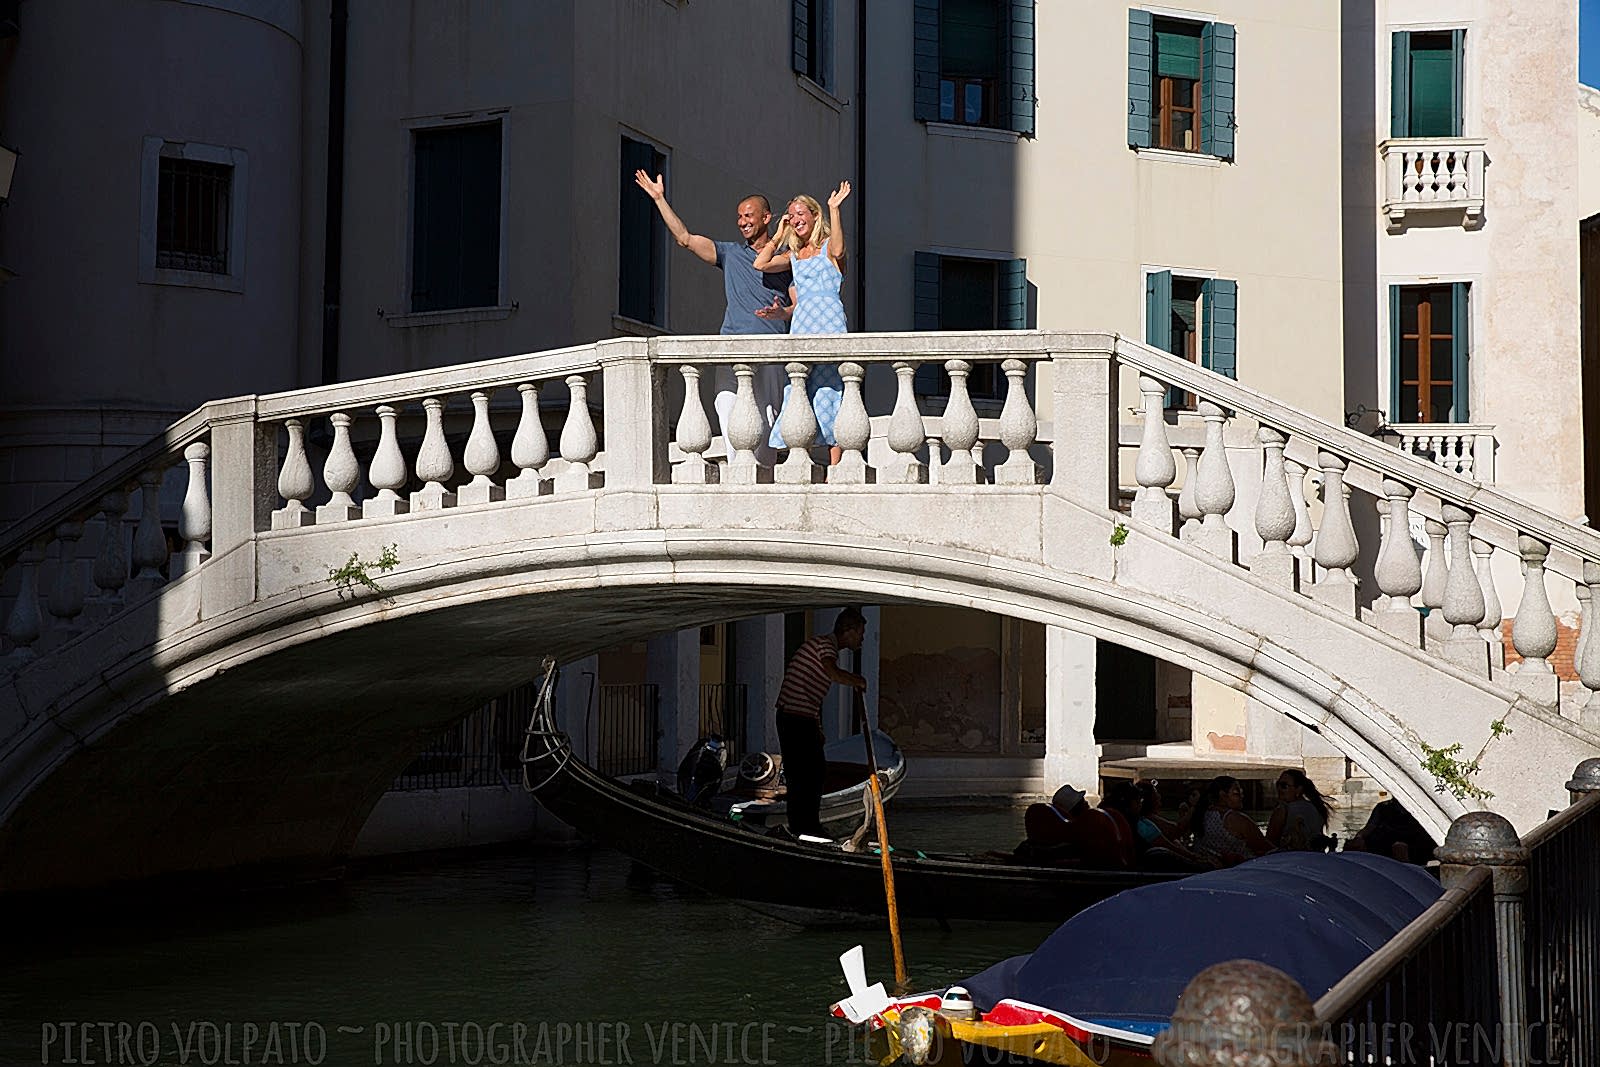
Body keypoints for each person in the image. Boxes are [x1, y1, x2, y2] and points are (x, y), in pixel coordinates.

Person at [633, 172, 790, 455]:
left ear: (767, 218)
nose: (743, 221)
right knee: (726, 406)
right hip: (731, 346)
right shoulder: (729, 253)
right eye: (739, 216)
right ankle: (738, 474)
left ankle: (760, 482)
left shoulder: (785, 259)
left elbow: (800, 301)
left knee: (767, 425)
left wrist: (784, 313)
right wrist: (659, 199)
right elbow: (684, 238)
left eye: (749, 215)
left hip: (771, 350)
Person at [754, 182, 851, 463]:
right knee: (800, 388)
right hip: (803, 324)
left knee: (833, 387)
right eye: (792, 215)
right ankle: (802, 459)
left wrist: (834, 210)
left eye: (800, 213)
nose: (796, 219)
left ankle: (836, 467)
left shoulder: (828, 249)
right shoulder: (794, 256)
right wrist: (780, 233)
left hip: (829, 321)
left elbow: (841, 248)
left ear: (814, 215)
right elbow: (760, 264)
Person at [773, 606, 868, 838]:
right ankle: (805, 828)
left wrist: (817, 726)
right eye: (860, 633)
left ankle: (806, 826)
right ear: (848, 631)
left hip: (801, 718)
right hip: (794, 718)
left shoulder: (825, 646)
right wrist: (858, 680)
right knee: (806, 774)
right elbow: (833, 673)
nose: (863, 638)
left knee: (812, 773)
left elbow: (810, 694)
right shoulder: (825, 646)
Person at [1013, 784, 1130, 870]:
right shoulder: (1079, 838)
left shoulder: (1047, 840)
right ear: (1077, 808)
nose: (1087, 804)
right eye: (1083, 802)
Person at [1188, 775, 1273, 867]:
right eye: (1237, 793)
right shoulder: (1237, 819)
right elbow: (1267, 849)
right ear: (1223, 795)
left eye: (1241, 792)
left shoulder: (1199, 813)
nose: (1242, 796)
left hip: (1208, 870)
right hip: (1241, 870)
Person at [1346, 798, 1437, 865]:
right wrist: (1359, 837)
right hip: (1383, 844)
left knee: (1400, 848)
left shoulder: (1419, 810)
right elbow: (1369, 827)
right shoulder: (1383, 807)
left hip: (1412, 845)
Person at [1266, 768, 1334, 851]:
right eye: (1278, 785)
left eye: (1284, 786)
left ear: (1298, 789)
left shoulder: (1283, 810)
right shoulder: (1317, 808)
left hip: (1290, 859)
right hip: (1315, 857)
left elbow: (1269, 843)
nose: (1279, 789)